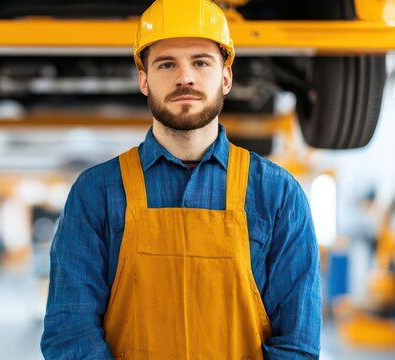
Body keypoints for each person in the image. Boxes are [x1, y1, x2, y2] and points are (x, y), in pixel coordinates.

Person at [41, 0, 322, 358]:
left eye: (201, 62)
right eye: (166, 63)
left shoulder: (278, 195)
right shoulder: (96, 193)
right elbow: (70, 330)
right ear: (144, 80)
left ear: (226, 77)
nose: (184, 77)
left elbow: (297, 342)